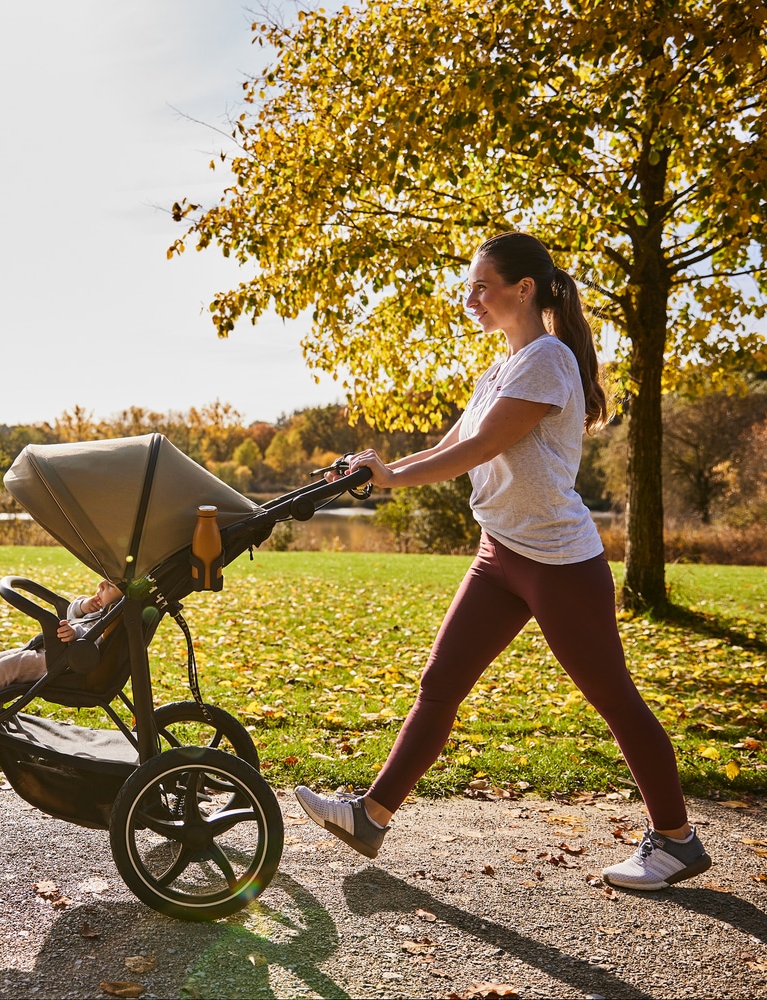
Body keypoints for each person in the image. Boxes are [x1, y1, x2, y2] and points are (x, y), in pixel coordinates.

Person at [297, 232, 711, 892]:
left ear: (523, 290)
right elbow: (453, 442)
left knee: (612, 697)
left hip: (557, 563)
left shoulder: (548, 359)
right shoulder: (502, 367)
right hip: (501, 553)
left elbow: (484, 445)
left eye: (481, 286)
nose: (470, 299)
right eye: (469, 287)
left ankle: (677, 841)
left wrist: (391, 479)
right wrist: (379, 473)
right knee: (441, 684)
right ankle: (370, 817)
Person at [0, 579, 124, 724]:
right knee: (1, 658)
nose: (100, 586)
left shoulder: (114, 618)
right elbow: (73, 615)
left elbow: (92, 638)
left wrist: (73, 633)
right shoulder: (104, 611)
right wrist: (82, 606)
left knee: (8, 667)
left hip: (67, 665)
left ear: (122, 598)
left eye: (109, 586)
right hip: (57, 656)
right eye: (103, 581)